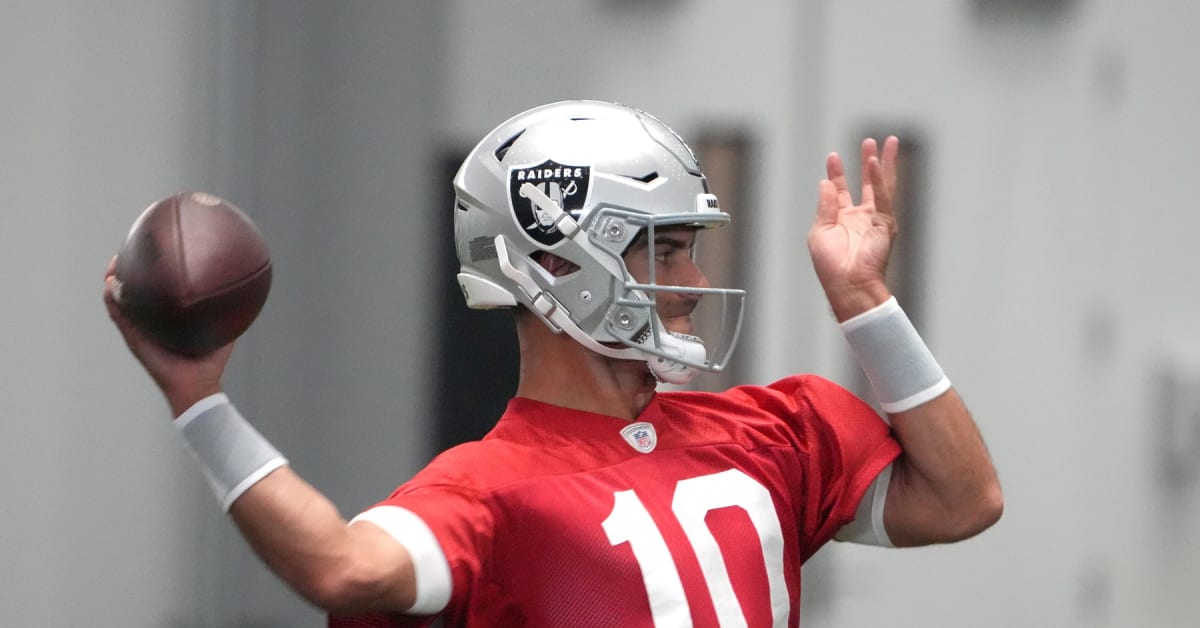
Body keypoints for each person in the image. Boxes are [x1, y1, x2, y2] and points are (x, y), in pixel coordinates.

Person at [104, 100, 1002, 627]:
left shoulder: (769, 430)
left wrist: (864, 301)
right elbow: (343, 568)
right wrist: (200, 403)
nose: (691, 281)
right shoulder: (489, 493)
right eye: (663, 250)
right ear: (557, 266)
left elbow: (966, 500)